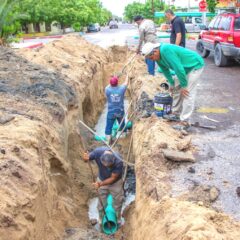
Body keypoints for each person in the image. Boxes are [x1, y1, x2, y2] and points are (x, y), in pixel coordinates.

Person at [141, 42, 204, 126]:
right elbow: (165, 70)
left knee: (187, 93)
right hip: (184, 68)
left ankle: (185, 121)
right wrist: (171, 83)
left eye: (152, 57)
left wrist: (184, 85)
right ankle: (176, 113)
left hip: (194, 64)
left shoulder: (166, 50)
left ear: (155, 51)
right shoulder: (158, 57)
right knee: (176, 89)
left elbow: (178, 68)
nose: (152, 60)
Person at [82, 147, 124, 225]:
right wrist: (85, 158)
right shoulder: (98, 152)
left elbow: (113, 178)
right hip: (102, 179)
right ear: (101, 159)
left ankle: (118, 218)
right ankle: (101, 217)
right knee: (101, 202)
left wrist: (100, 184)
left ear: (113, 160)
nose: (107, 167)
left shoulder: (119, 160)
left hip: (115, 183)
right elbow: (86, 159)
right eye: (104, 165)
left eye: (109, 166)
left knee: (118, 201)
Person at [105, 76, 128, 144]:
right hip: (120, 111)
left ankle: (108, 140)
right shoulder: (121, 89)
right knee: (122, 124)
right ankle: (123, 137)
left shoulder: (107, 90)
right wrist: (127, 76)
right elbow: (126, 83)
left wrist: (114, 79)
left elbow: (108, 85)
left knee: (109, 126)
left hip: (111, 112)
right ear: (117, 83)